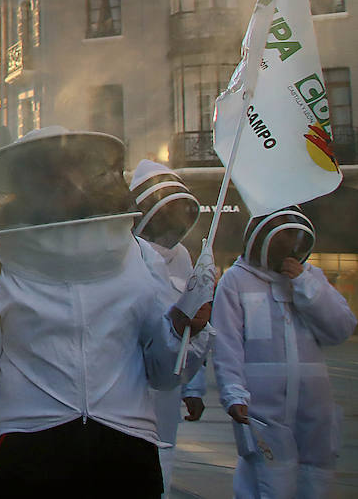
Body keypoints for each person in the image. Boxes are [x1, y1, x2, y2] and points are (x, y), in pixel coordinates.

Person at [0, 127, 214, 499]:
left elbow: (163, 373)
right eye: (46, 173)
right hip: (28, 452)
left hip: (125, 454)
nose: (61, 182)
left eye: (71, 169)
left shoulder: (141, 255)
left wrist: (185, 327)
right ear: (26, 184)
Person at [212, 206, 356, 498]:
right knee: (269, 479)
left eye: (291, 235)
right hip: (262, 406)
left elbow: (341, 328)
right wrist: (233, 393)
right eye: (280, 235)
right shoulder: (236, 281)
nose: (286, 243)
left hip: (314, 405)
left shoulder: (310, 276)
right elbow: (227, 344)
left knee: (315, 476)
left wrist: (306, 285)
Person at [129, 160, 210, 491]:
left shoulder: (184, 257)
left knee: (164, 463)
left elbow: (194, 320)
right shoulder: (125, 252)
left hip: (169, 387)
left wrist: (193, 387)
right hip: (130, 381)